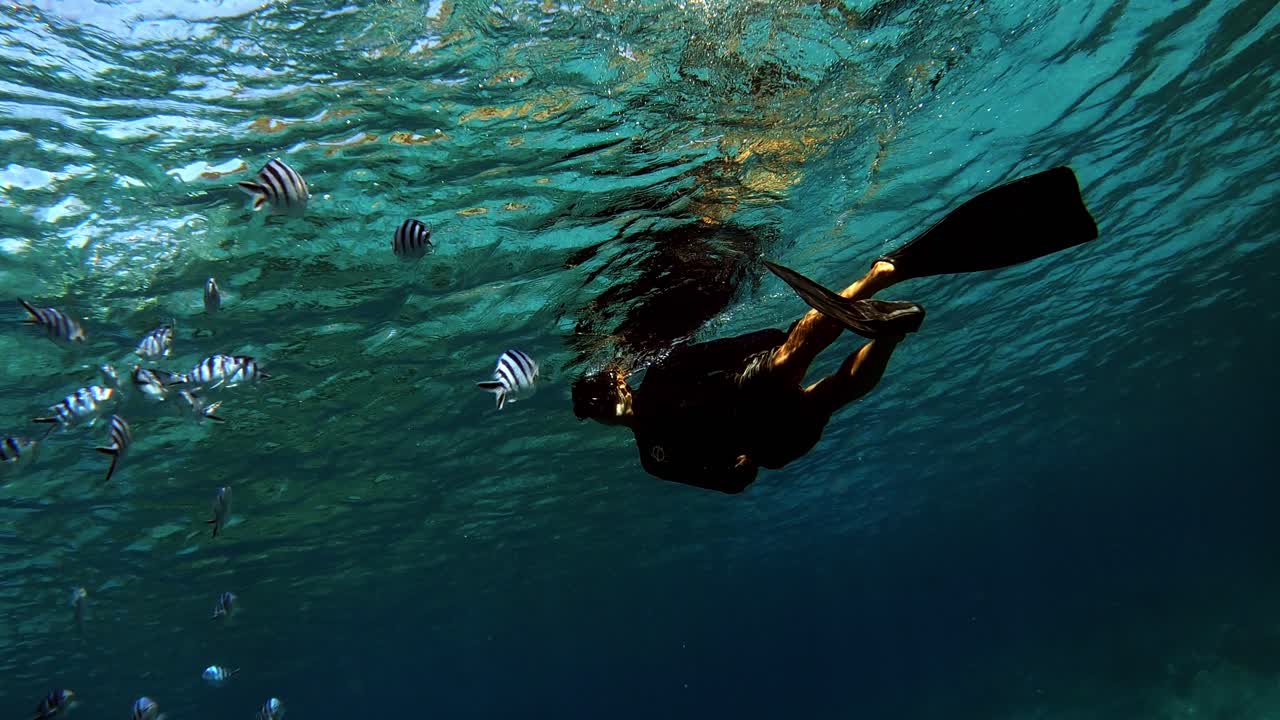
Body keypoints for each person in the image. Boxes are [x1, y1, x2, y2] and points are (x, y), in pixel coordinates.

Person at [571, 166, 1100, 493]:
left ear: (617, 383)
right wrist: (739, 463)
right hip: (762, 435)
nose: (605, 403)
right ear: (606, 407)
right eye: (597, 406)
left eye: (599, 394)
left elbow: (712, 357)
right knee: (820, 384)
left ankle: (885, 304)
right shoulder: (655, 457)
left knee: (800, 370)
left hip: (750, 403)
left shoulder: (657, 393)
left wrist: (769, 345)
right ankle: (885, 310)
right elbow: (729, 480)